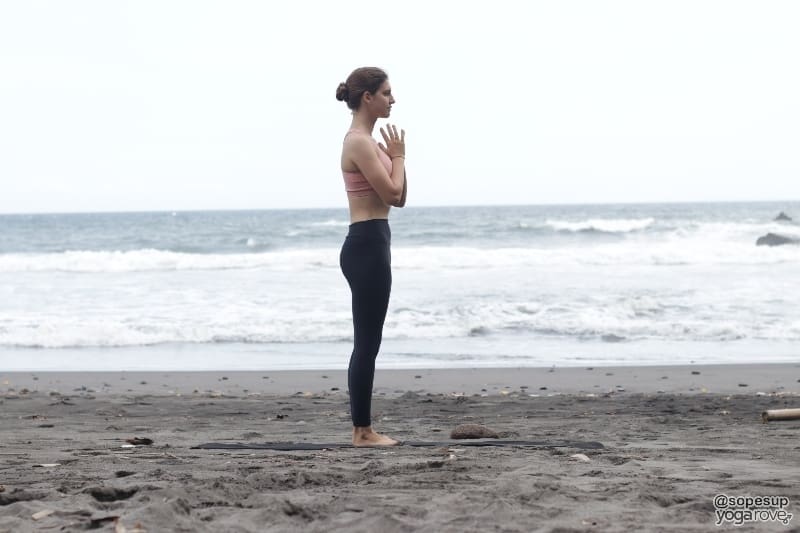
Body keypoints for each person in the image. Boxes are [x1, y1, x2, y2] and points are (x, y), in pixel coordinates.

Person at [336, 67, 407, 446]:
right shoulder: (360, 143)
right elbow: (393, 194)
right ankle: (362, 431)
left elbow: (400, 197)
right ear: (368, 97)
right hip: (366, 243)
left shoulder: (371, 142)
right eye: (387, 93)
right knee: (366, 343)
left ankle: (363, 428)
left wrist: (397, 157)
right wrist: (398, 157)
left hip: (375, 239)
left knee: (370, 341)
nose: (392, 100)